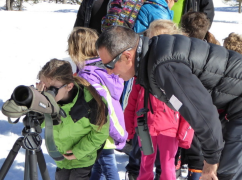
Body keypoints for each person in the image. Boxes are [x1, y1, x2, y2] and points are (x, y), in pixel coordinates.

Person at [96, 25, 242, 180]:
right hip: (229, 105)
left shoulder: (163, 66)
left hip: (237, 104)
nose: (109, 72)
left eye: (109, 65)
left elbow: (202, 114)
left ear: (127, 56)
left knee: (224, 173)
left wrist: (211, 161)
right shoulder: (152, 57)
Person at [124, 20, 193, 180]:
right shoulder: (142, 70)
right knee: (145, 165)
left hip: (170, 128)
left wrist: (184, 134)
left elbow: (188, 105)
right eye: (153, 40)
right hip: (145, 125)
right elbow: (132, 101)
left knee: (168, 166)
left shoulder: (179, 69)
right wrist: (129, 127)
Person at [67, 27, 127, 180]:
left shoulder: (88, 76)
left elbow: (104, 106)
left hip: (102, 129)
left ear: (76, 50)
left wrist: (114, 131)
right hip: (101, 128)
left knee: (107, 165)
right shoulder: (103, 69)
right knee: (97, 165)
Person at [36, 59, 110, 180]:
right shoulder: (50, 101)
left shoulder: (91, 103)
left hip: (83, 158)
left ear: (69, 86)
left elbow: (101, 133)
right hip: (61, 157)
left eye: (51, 90)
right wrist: (38, 102)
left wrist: (78, 152)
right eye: (44, 88)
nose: (47, 94)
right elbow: (39, 124)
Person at [180, 11, 221, 180]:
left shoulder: (182, 53)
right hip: (210, 113)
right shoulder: (214, 51)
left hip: (190, 113)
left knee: (195, 151)